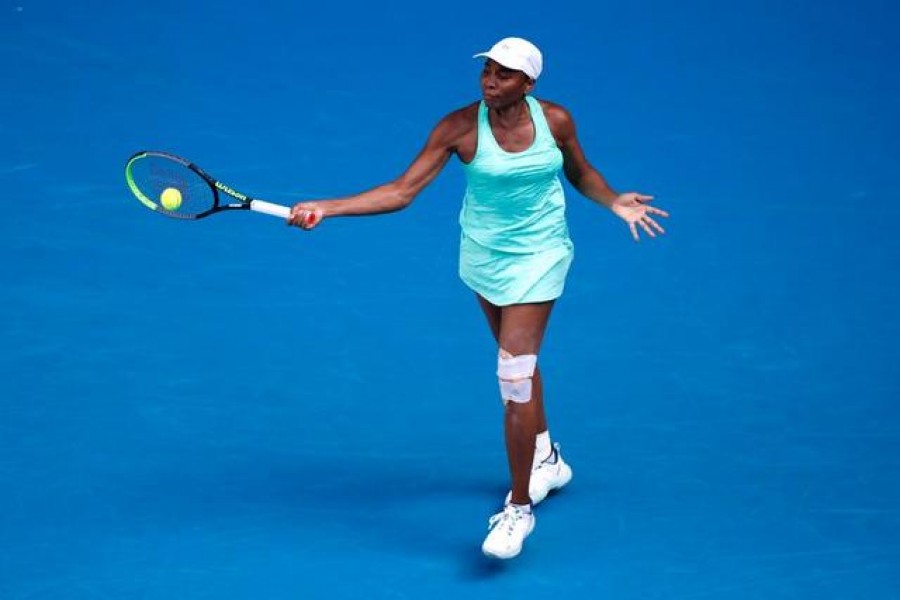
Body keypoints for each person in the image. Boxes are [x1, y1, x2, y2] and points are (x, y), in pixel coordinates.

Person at [287, 37, 669, 559]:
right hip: (484, 257)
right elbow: (402, 192)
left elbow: (579, 171)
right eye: (487, 69)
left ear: (528, 84)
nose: (490, 79)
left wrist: (612, 200)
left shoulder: (555, 120)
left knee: (512, 374)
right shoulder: (459, 127)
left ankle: (517, 509)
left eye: (505, 73)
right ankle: (547, 459)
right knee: (523, 365)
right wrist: (328, 207)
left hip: (541, 254)